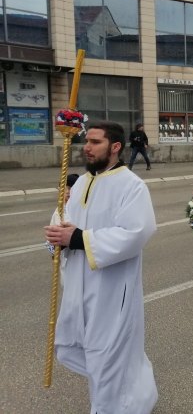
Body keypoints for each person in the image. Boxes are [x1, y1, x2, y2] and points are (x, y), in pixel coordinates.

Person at [44, 121, 158, 414]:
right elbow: (65, 219)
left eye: (95, 142)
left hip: (111, 290)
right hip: (80, 287)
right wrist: (59, 235)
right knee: (95, 356)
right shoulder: (81, 183)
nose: (87, 147)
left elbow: (136, 232)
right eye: (87, 141)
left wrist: (79, 238)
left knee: (109, 357)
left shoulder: (131, 186)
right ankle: (125, 400)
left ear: (115, 147)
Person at [46, 173, 80, 257]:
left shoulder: (81, 210)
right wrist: (54, 250)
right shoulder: (59, 210)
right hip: (64, 259)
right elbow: (50, 240)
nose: (68, 192)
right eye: (65, 189)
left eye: (71, 188)